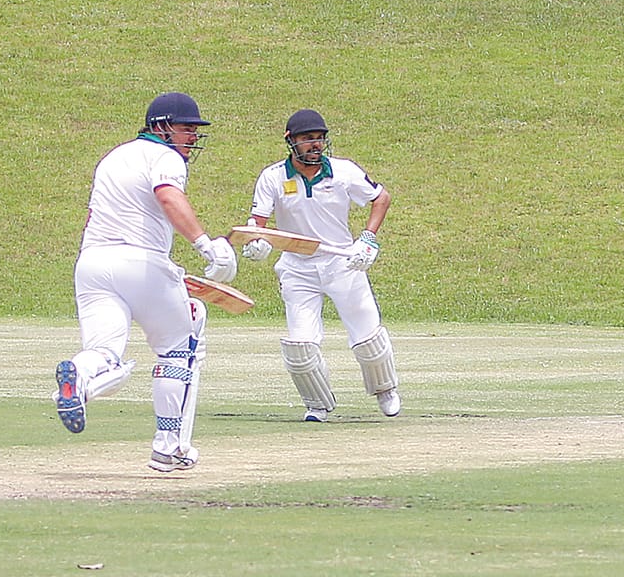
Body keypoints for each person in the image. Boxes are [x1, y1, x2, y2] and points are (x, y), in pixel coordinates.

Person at [54, 92, 237, 474]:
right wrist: (208, 247)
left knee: (104, 350)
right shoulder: (165, 158)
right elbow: (168, 198)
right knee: (181, 343)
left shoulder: (114, 155)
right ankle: (169, 446)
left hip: (92, 264)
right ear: (162, 126)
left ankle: (79, 380)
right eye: (187, 129)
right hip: (140, 263)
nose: (191, 138)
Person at [239, 108, 400, 421]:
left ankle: (385, 389)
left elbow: (381, 198)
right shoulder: (273, 177)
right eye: (307, 139)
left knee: (367, 334)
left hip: (343, 262)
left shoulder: (344, 171)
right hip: (297, 267)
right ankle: (316, 404)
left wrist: (367, 239)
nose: (315, 145)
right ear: (291, 141)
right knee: (301, 344)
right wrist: (257, 243)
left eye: (319, 139)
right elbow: (257, 223)